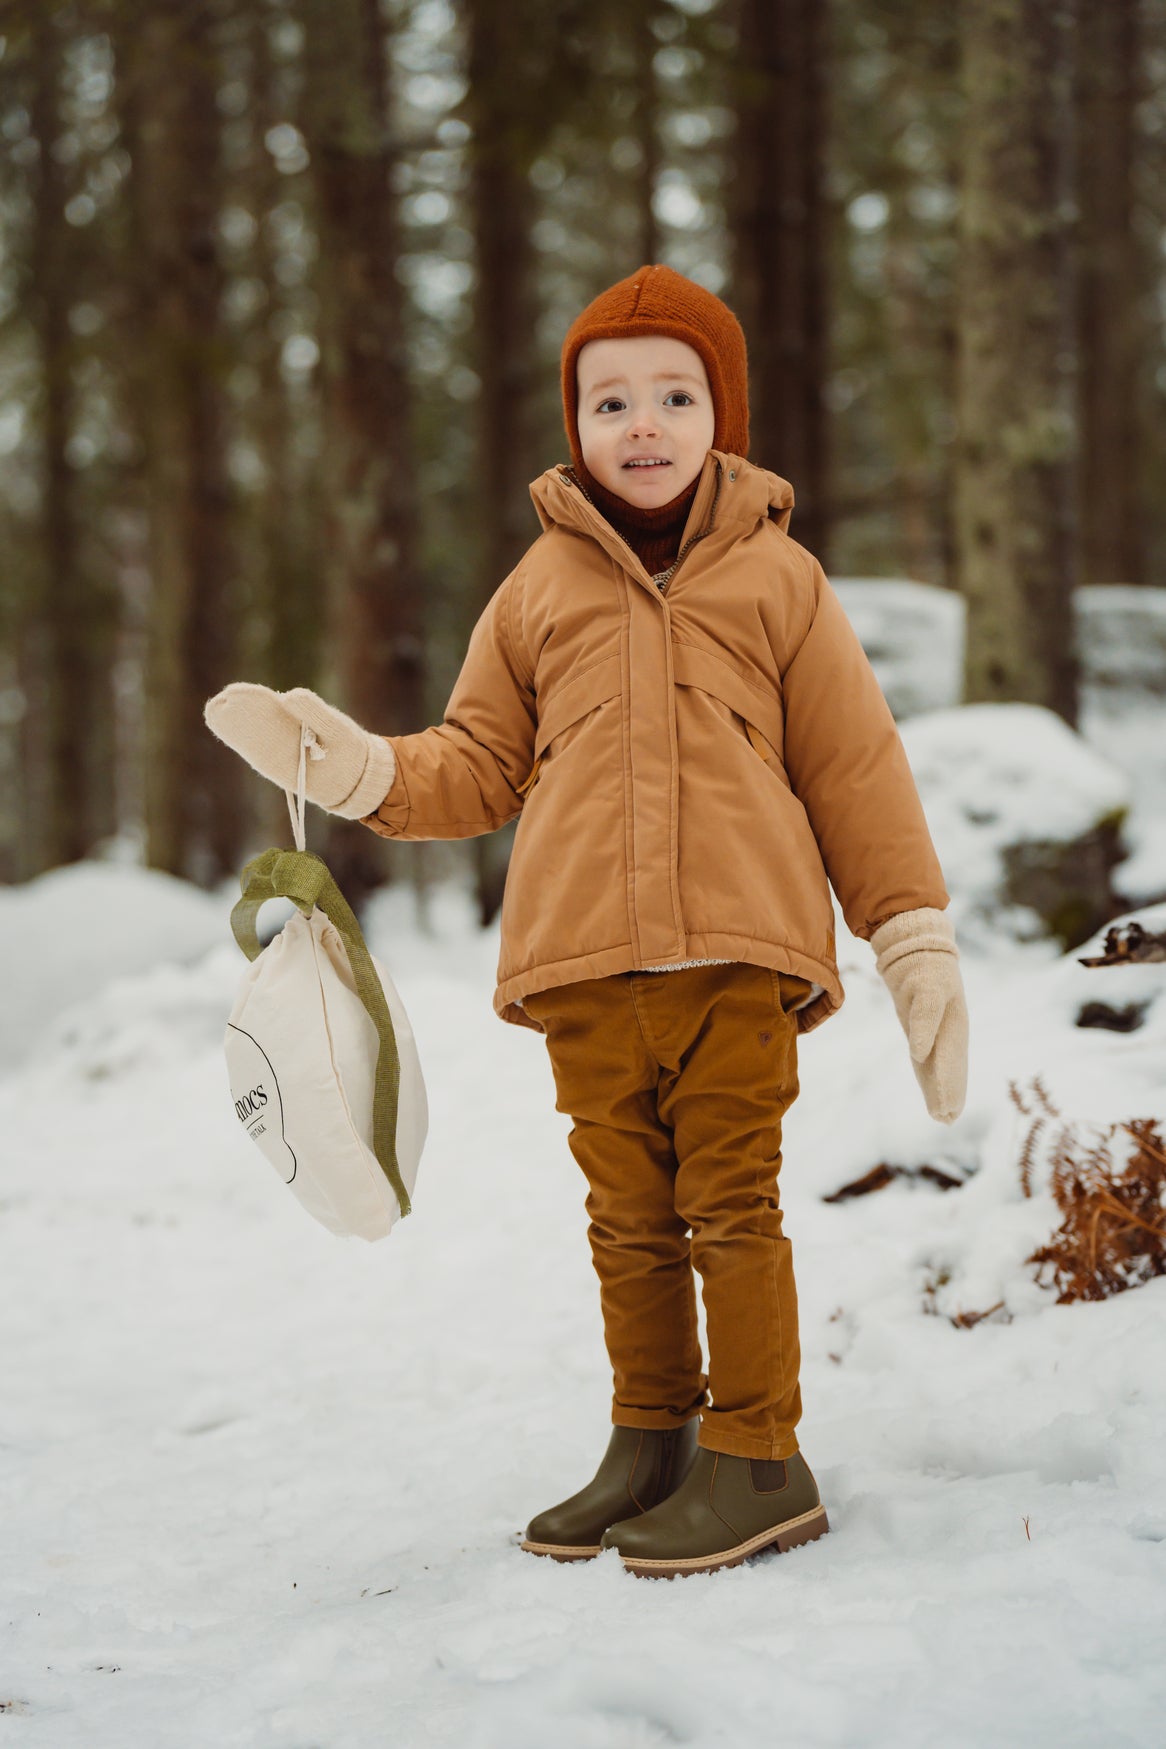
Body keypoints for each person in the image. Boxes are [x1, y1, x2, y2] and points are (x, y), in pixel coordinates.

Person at [206, 263, 968, 1580]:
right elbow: (475, 762)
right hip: (580, 968)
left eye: (673, 394)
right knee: (626, 1218)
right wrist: (351, 768)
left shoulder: (780, 581)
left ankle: (758, 1452)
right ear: (574, 424)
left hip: (735, 958)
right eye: (609, 400)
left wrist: (908, 934)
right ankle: (651, 1438)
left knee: (729, 1203)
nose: (642, 423)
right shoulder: (537, 590)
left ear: (717, 413)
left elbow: (855, 768)